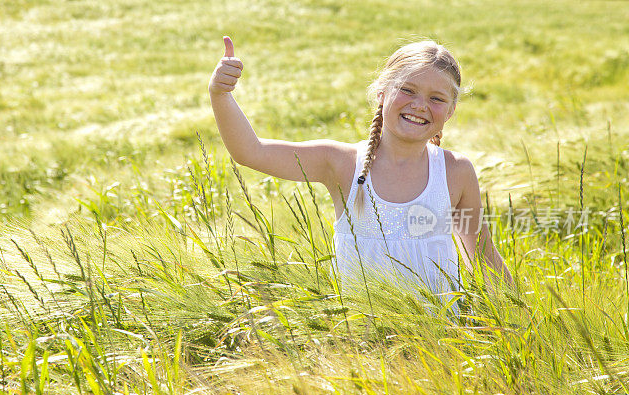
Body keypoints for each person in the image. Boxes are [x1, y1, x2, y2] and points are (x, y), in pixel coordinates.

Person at [208, 36, 513, 302]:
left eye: (436, 98)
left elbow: (483, 255)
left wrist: (528, 326)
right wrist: (221, 95)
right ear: (382, 93)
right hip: (362, 345)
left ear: (450, 110)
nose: (420, 105)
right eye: (408, 90)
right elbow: (252, 152)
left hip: (438, 342)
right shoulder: (341, 163)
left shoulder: (455, 171)